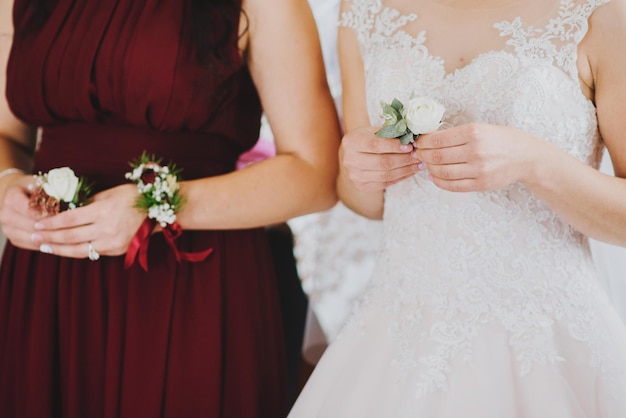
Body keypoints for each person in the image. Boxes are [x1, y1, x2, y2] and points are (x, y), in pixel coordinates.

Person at [0, 0, 340, 417]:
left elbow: (317, 174)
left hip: (189, 283)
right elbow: (6, 132)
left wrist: (158, 206)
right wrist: (6, 183)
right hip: (49, 285)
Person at [288, 0, 626, 416]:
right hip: (399, 336)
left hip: (547, 342)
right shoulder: (364, 10)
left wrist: (533, 161)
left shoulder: (602, 14)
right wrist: (355, 163)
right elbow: (366, 203)